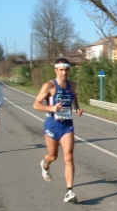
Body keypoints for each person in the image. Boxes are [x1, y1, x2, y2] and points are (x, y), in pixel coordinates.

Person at [33, 58, 83, 203]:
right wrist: (51, 108)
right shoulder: (49, 86)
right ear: (56, 70)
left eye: (66, 69)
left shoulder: (72, 85)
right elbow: (36, 104)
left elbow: (74, 97)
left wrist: (77, 108)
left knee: (68, 157)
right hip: (52, 125)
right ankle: (45, 163)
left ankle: (69, 192)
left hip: (67, 125)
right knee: (53, 156)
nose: (64, 72)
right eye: (61, 70)